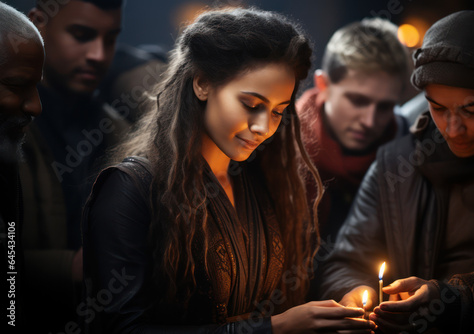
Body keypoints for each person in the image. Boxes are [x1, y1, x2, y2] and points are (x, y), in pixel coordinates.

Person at [82, 7, 376, 333]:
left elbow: (306, 271)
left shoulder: (263, 180)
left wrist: (347, 293)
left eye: (278, 112)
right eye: (251, 105)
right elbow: (123, 328)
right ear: (203, 84)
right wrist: (273, 328)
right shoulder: (131, 190)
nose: (263, 127)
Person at [320, 10, 474, 334]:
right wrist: (352, 293)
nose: (453, 128)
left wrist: (454, 299)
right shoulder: (395, 165)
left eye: (472, 109)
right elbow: (345, 262)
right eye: (438, 108)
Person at [19, 0, 127, 332]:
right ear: (38, 24)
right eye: (81, 35)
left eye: (110, 40)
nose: (98, 54)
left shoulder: (117, 130)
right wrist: (72, 267)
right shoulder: (11, 123)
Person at [296, 17, 412, 299]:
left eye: (385, 106)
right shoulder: (278, 146)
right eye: (358, 101)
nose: (370, 121)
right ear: (323, 84)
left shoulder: (412, 155)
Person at [0, 2, 44, 331]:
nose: (35, 106)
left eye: (35, 86)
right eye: (16, 86)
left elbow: (12, 288)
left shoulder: (6, 167)